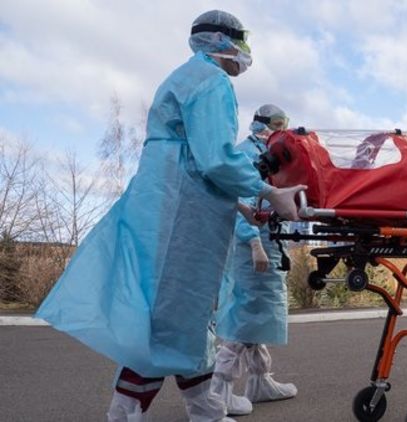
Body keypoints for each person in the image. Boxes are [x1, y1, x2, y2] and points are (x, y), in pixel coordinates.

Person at [35, 10, 305, 422]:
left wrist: (241, 206)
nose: (245, 52)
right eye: (241, 41)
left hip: (167, 204)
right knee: (172, 315)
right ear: (222, 41)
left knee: (184, 316)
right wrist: (269, 193)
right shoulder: (212, 82)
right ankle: (127, 410)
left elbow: (194, 158)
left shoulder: (184, 77)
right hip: (185, 215)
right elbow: (215, 159)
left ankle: (204, 407)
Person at [211, 104, 298, 413]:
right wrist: (254, 243)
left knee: (258, 314)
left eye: (284, 122)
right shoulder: (249, 155)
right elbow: (239, 201)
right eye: (276, 122)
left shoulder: (268, 154)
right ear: (259, 123)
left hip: (268, 240)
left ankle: (260, 381)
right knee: (246, 316)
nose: (281, 128)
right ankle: (219, 389)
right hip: (253, 244)